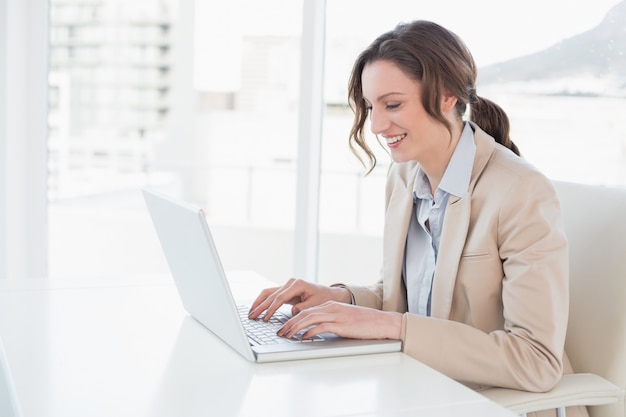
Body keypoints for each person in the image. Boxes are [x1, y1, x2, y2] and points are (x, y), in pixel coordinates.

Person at [248, 20, 586, 417]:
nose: (375, 126)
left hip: (498, 405)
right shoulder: (405, 176)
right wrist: (342, 299)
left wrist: (391, 326)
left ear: (447, 95)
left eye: (392, 105)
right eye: (370, 107)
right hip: (422, 392)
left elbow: (536, 361)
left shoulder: (520, 191)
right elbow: (410, 299)